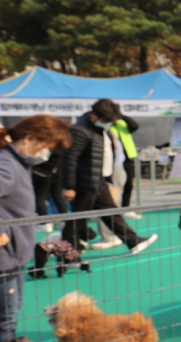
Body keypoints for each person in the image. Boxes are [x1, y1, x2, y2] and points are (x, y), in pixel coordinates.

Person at [0, 115, 71, 342]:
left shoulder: (14, 163)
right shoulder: (5, 164)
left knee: (6, 321)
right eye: (47, 147)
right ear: (30, 138)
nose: (46, 154)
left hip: (10, 257)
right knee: (3, 323)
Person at [60, 99, 157, 261]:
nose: (109, 124)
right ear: (93, 116)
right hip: (84, 182)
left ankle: (133, 241)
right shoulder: (80, 131)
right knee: (77, 221)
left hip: (98, 178)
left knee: (110, 212)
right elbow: (69, 160)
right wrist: (69, 186)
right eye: (107, 121)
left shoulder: (98, 129)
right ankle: (67, 257)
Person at [110, 113, 141, 217]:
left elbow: (135, 126)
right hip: (112, 159)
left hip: (127, 157)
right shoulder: (105, 125)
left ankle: (125, 208)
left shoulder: (122, 122)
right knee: (112, 186)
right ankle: (110, 210)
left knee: (129, 184)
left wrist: (120, 116)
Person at [31, 151, 67, 231]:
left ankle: (45, 224)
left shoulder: (47, 143)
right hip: (57, 171)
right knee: (58, 196)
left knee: (39, 197)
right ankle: (65, 221)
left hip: (43, 172)